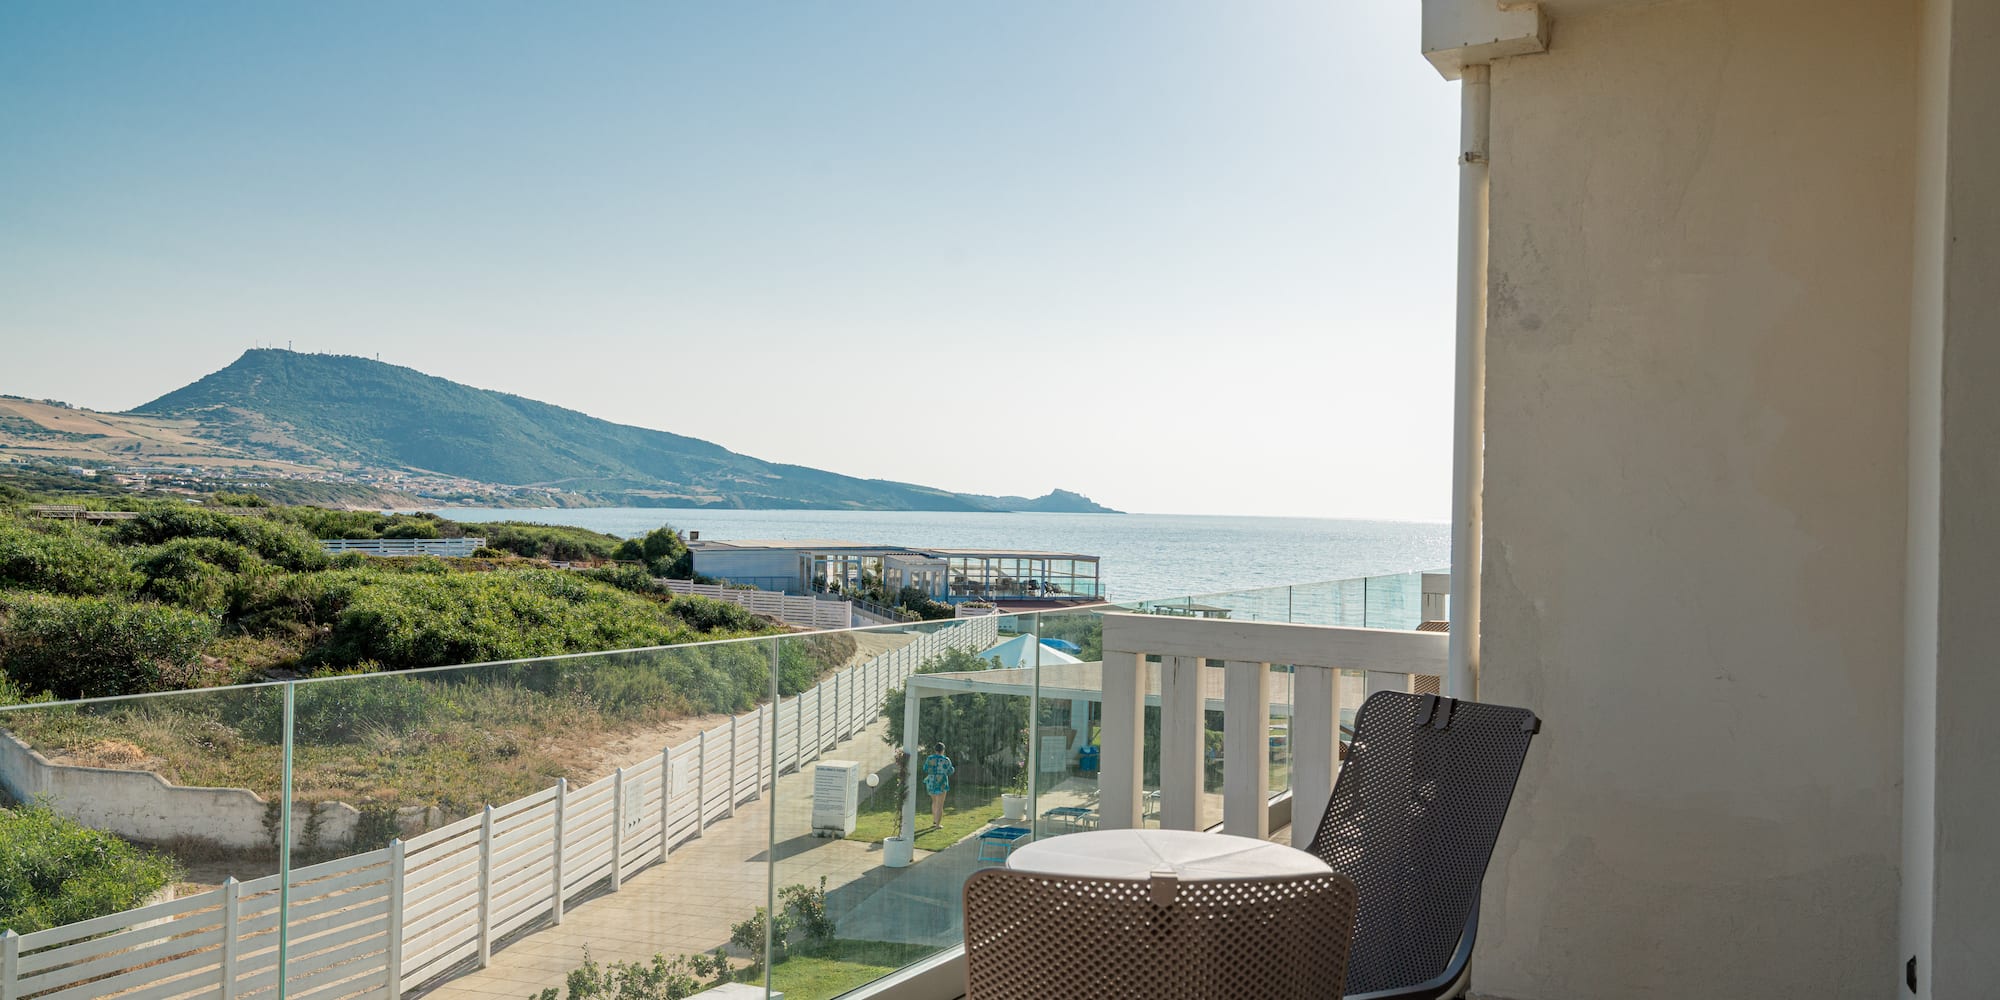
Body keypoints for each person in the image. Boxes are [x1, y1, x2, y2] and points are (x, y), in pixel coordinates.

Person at [921, 742, 954, 830]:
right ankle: (937, 825)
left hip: (931, 782)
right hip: (941, 782)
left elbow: (925, 768)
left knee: (934, 802)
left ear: (935, 750)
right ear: (943, 750)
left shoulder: (929, 758)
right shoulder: (946, 760)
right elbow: (950, 771)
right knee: (940, 805)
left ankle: (935, 821)